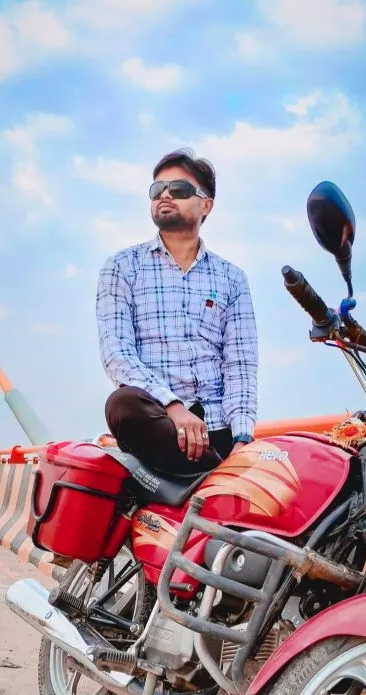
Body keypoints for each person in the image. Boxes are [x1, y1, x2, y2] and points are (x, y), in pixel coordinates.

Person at [96, 148, 258, 475]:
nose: (165, 195)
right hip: (160, 424)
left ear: (206, 204)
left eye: (179, 190)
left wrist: (242, 437)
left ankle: (214, 471)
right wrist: (173, 406)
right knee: (122, 404)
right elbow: (117, 352)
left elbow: (240, 362)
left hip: (217, 429)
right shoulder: (122, 267)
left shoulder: (232, 278)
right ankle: (215, 478)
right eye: (157, 190)